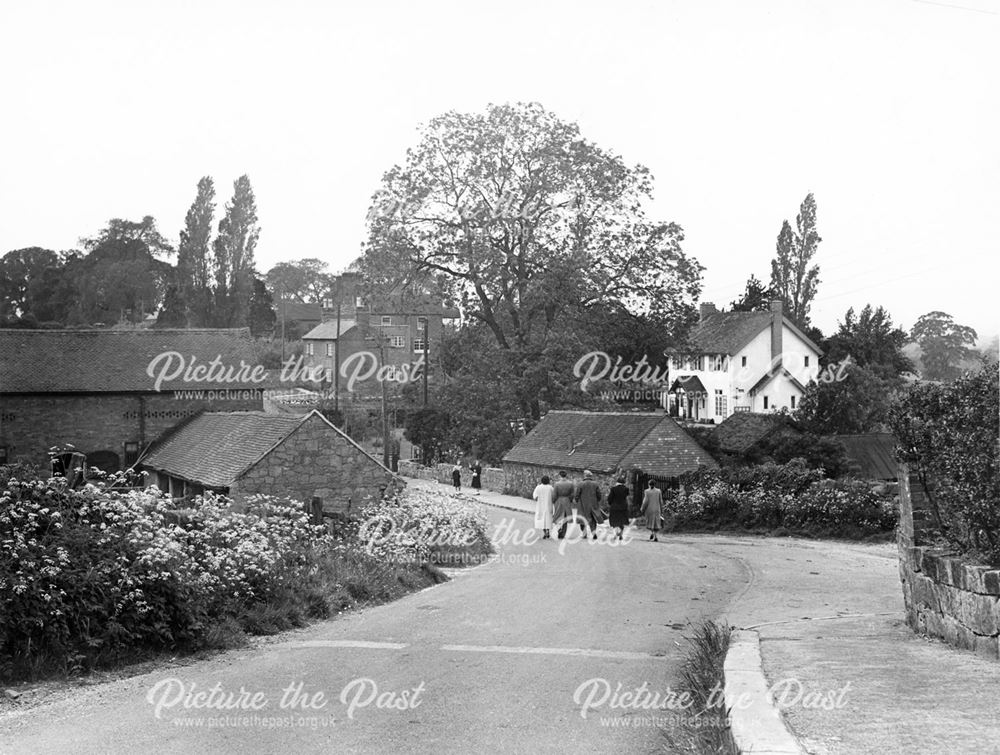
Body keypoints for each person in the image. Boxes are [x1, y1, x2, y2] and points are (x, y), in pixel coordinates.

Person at [575, 470, 603, 540]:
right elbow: (599, 495)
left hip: (583, 504)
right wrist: (597, 501)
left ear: (584, 475)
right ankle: (593, 533)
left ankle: (584, 534)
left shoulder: (581, 484)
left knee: (582, 518)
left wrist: (577, 501)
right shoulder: (595, 484)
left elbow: (577, 494)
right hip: (593, 504)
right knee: (593, 519)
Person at [552, 471, 576, 540]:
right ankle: (563, 533)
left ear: (560, 476)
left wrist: (553, 501)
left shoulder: (557, 484)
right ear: (566, 475)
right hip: (567, 501)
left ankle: (559, 529)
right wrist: (569, 500)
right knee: (565, 517)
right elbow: (572, 494)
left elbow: (554, 494)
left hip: (559, 501)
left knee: (558, 516)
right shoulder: (570, 484)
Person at [607, 475, 631, 541]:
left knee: (614, 521)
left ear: (617, 482)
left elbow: (610, 498)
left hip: (614, 507)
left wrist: (610, 503)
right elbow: (626, 497)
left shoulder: (613, 489)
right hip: (623, 507)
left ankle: (615, 533)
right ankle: (621, 534)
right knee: (622, 521)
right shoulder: (626, 489)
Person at [532, 475, 555, 539]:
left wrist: (538, 499)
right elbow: (553, 497)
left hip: (540, 506)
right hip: (548, 505)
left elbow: (535, 497)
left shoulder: (538, 487)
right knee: (548, 519)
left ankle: (545, 532)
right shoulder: (551, 488)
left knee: (542, 520)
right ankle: (548, 531)